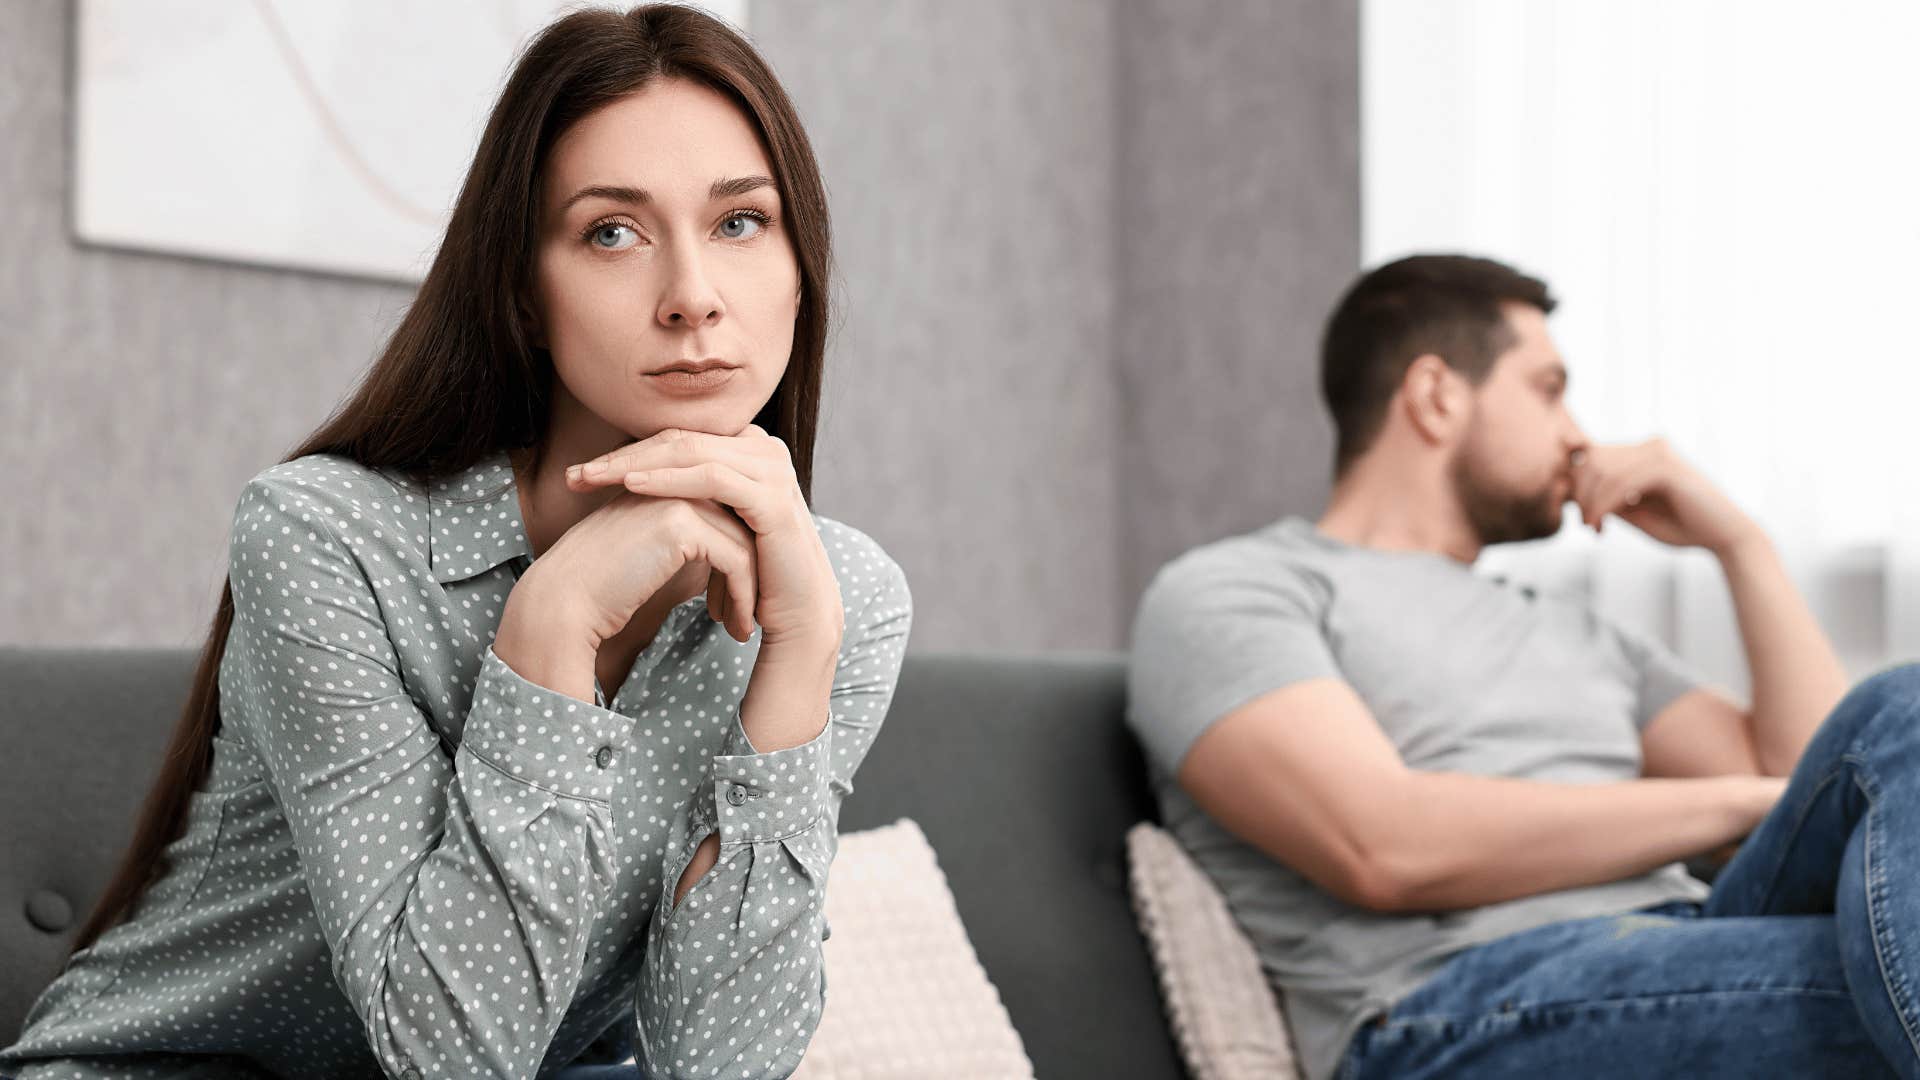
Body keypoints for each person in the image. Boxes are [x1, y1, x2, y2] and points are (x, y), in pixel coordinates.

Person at [0, 7, 910, 1079]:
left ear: (802, 267)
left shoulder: (838, 597)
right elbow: (453, 1058)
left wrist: (799, 659)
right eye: (612, 232)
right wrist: (551, 627)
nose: (694, 300)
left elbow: (718, 1063)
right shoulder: (325, 538)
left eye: (740, 224)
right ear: (524, 293)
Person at [1126, 253, 1919, 1079]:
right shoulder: (1236, 592)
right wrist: (1745, 803)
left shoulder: (1574, 632)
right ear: (1436, 396)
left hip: (1692, 940)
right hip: (1461, 1004)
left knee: (1907, 708)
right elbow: (1382, 845)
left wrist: (1741, 546)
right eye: (1548, 389)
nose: (1577, 432)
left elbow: (1828, 792)